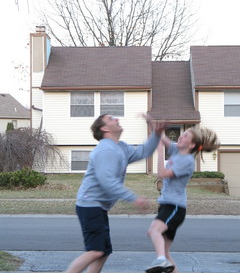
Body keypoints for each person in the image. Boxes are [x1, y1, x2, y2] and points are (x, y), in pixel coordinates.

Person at [66, 114, 166, 273]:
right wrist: (133, 198)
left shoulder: (121, 147)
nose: (117, 119)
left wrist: (157, 133)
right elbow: (107, 181)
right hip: (90, 204)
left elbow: (144, 151)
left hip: (97, 206)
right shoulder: (105, 150)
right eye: (111, 119)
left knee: (103, 251)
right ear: (104, 128)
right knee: (96, 251)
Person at [146, 126, 220, 273]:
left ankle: (161, 261)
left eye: (185, 136)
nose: (180, 137)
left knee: (153, 231)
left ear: (191, 145)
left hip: (174, 207)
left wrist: (160, 150)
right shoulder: (177, 150)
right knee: (166, 254)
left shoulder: (187, 161)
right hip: (167, 205)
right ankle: (164, 261)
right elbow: (161, 136)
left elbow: (161, 173)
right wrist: (152, 122)